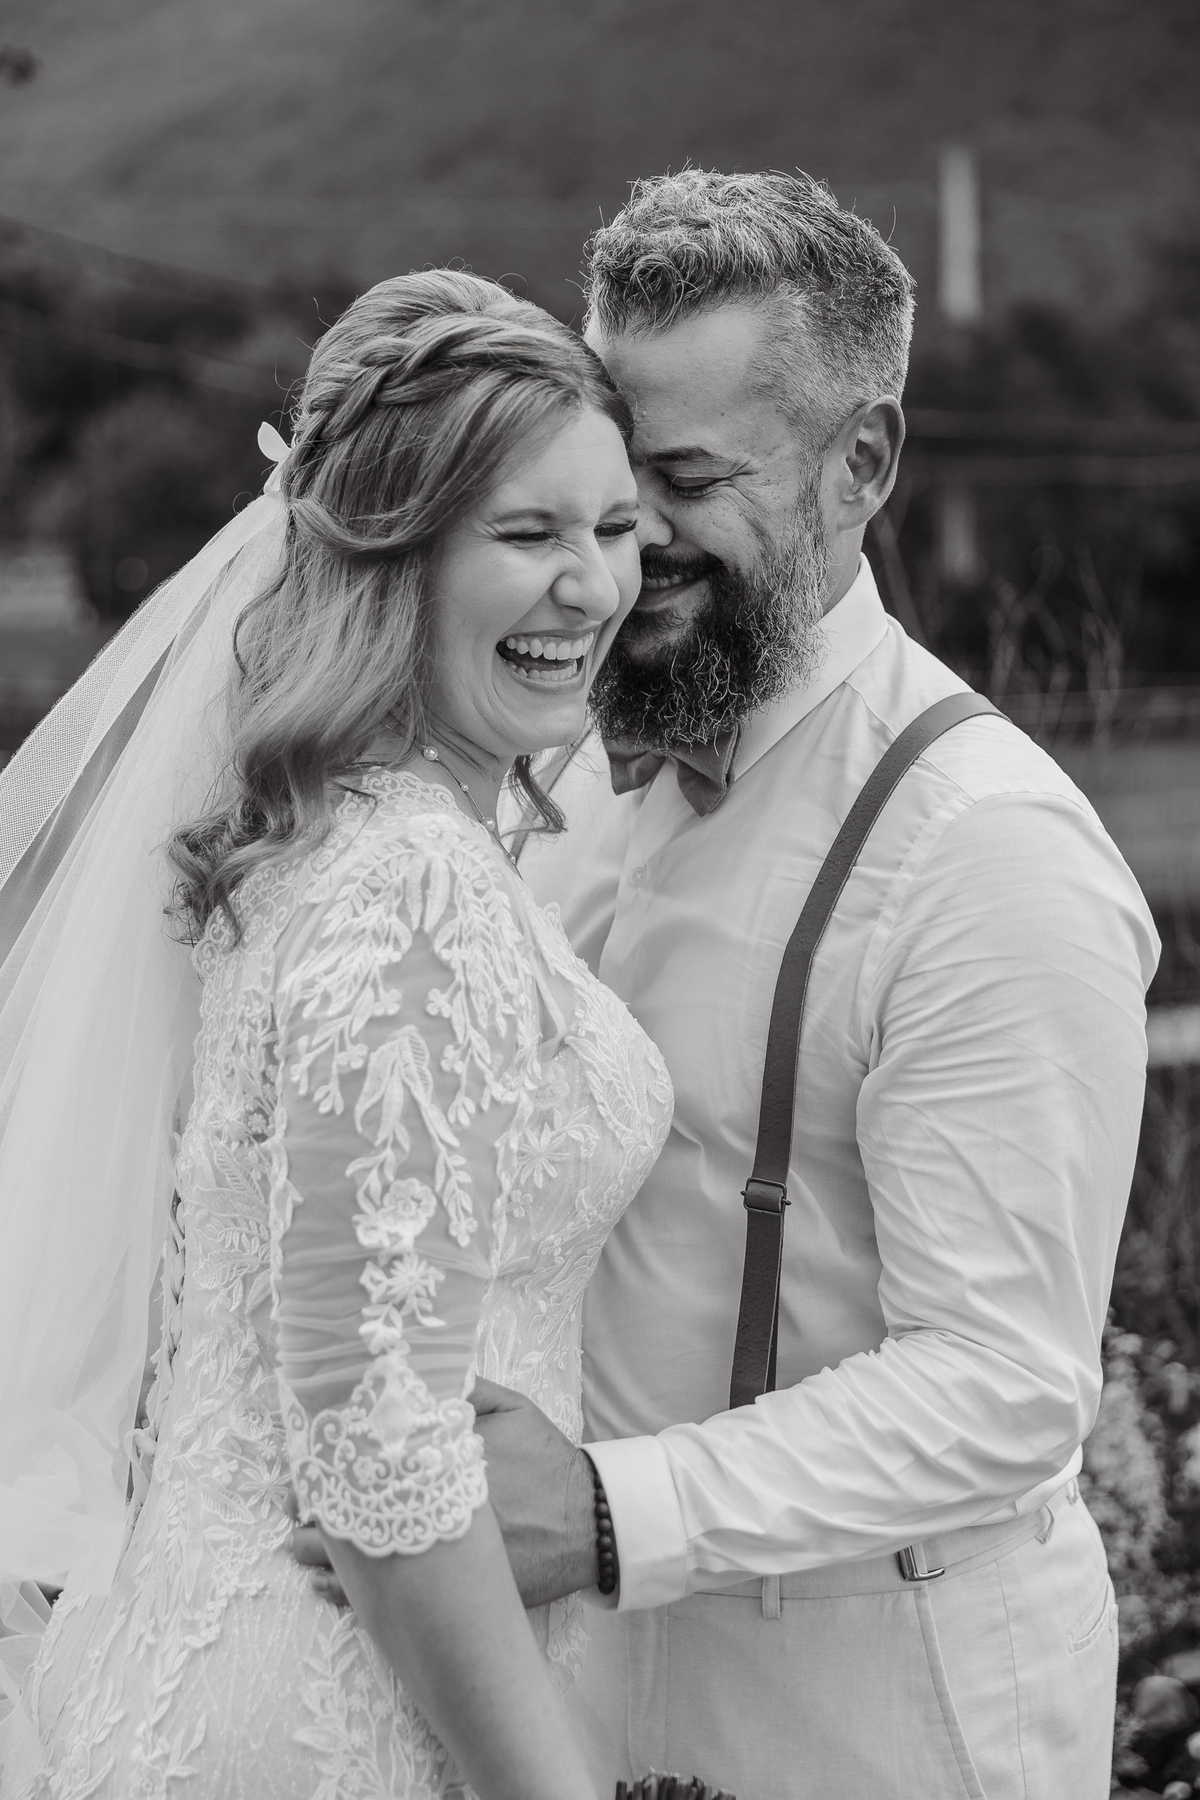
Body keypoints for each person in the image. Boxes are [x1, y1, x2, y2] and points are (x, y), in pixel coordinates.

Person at [294, 173, 1159, 1799]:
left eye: (689, 481)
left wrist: (611, 1512)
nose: (634, 546)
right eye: (618, 480)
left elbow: (1003, 1391)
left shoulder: (991, 852)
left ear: (866, 465)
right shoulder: (544, 757)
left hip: (875, 1717)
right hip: (555, 1696)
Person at [0, 269, 673, 1800]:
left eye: (614, 526)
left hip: (250, 1658)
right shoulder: (411, 886)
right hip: (340, 1715)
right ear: (393, 558)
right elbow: (380, 1461)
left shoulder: (325, 836)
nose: (596, 586)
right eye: (528, 535)